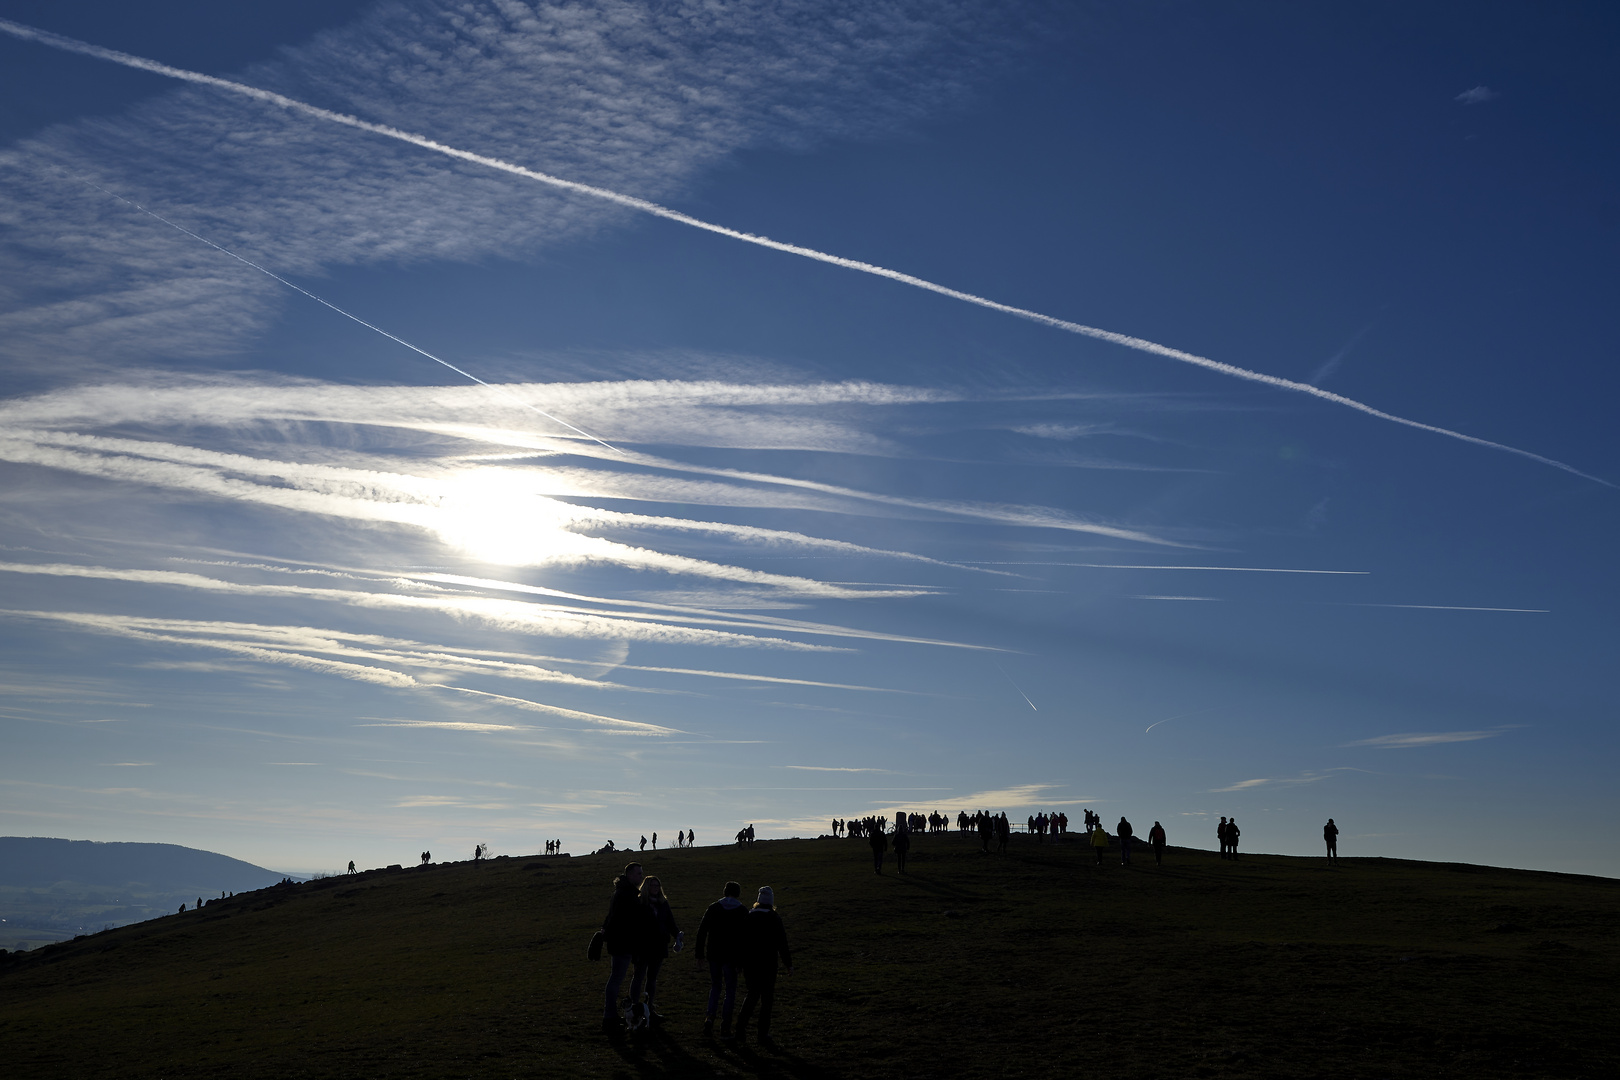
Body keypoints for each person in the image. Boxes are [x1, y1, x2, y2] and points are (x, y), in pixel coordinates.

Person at [734, 886, 793, 1045]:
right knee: (767, 1000)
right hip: (768, 965)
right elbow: (782, 943)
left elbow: (741, 943)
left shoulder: (748, 916)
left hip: (750, 964)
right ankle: (762, 1033)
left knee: (752, 995)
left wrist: (739, 963)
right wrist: (788, 964)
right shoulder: (774, 918)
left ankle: (740, 1029)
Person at [600, 862, 649, 1033]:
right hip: (623, 943)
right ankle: (609, 1016)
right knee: (616, 979)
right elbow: (626, 921)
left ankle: (610, 1015)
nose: (641, 876)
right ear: (629, 875)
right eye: (638, 874)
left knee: (615, 978)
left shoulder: (620, 892)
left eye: (641, 873)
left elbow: (611, 916)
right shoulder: (627, 894)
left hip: (619, 942)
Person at [695, 880, 747, 1037]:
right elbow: (745, 939)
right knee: (730, 990)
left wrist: (699, 954)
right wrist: (741, 962)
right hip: (732, 957)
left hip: (714, 955)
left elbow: (702, 931)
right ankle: (725, 1024)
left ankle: (710, 1017)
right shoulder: (742, 910)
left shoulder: (714, 908)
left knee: (715, 986)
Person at [636, 875, 680, 1024]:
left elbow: (670, 922)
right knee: (639, 976)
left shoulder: (663, 903)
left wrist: (677, 936)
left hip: (659, 945)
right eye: (652, 885)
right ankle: (636, 1008)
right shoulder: (639, 903)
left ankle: (649, 1008)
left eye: (657, 885)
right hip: (643, 946)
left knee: (652, 978)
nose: (655, 888)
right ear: (646, 887)